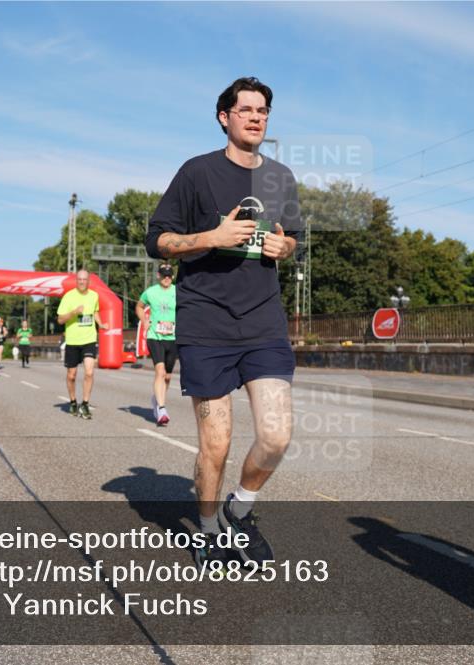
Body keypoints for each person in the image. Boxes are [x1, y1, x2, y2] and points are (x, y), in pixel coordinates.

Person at [145, 77, 301, 567]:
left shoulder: (280, 178)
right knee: (216, 443)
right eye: (246, 110)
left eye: (263, 111)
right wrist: (210, 237)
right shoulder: (197, 172)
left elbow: (293, 239)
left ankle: (240, 507)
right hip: (206, 323)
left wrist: (284, 247)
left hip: (263, 323)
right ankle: (209, 529)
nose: (256, 118)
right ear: (224, 117)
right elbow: (157, 241)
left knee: (276, 436)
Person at [56, 269, 109, 419]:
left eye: (84, 279)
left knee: (89, 372)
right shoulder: (68, 296)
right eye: (79, 279)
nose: (82, 282)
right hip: (73, 341)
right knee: (71, 375)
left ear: (88, 281)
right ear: (76, 280)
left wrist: (100, 324)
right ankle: (73, 401)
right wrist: (73, 312)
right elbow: (60, 320)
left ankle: (85, 404)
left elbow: (95, 312)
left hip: (89, 340)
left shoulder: (94, 296)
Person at [137, 263, 178, 425]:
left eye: (169, 275)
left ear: (172, 277)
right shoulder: (150, 292)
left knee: (167, 376)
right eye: (164, 275)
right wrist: (144, 320)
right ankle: (161, 408)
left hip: (173, 338)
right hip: (155, 337)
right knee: (159, 371)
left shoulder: (178, 291)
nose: (166, 278)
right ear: (158, 276)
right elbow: (139, 307)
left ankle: (157, 400)